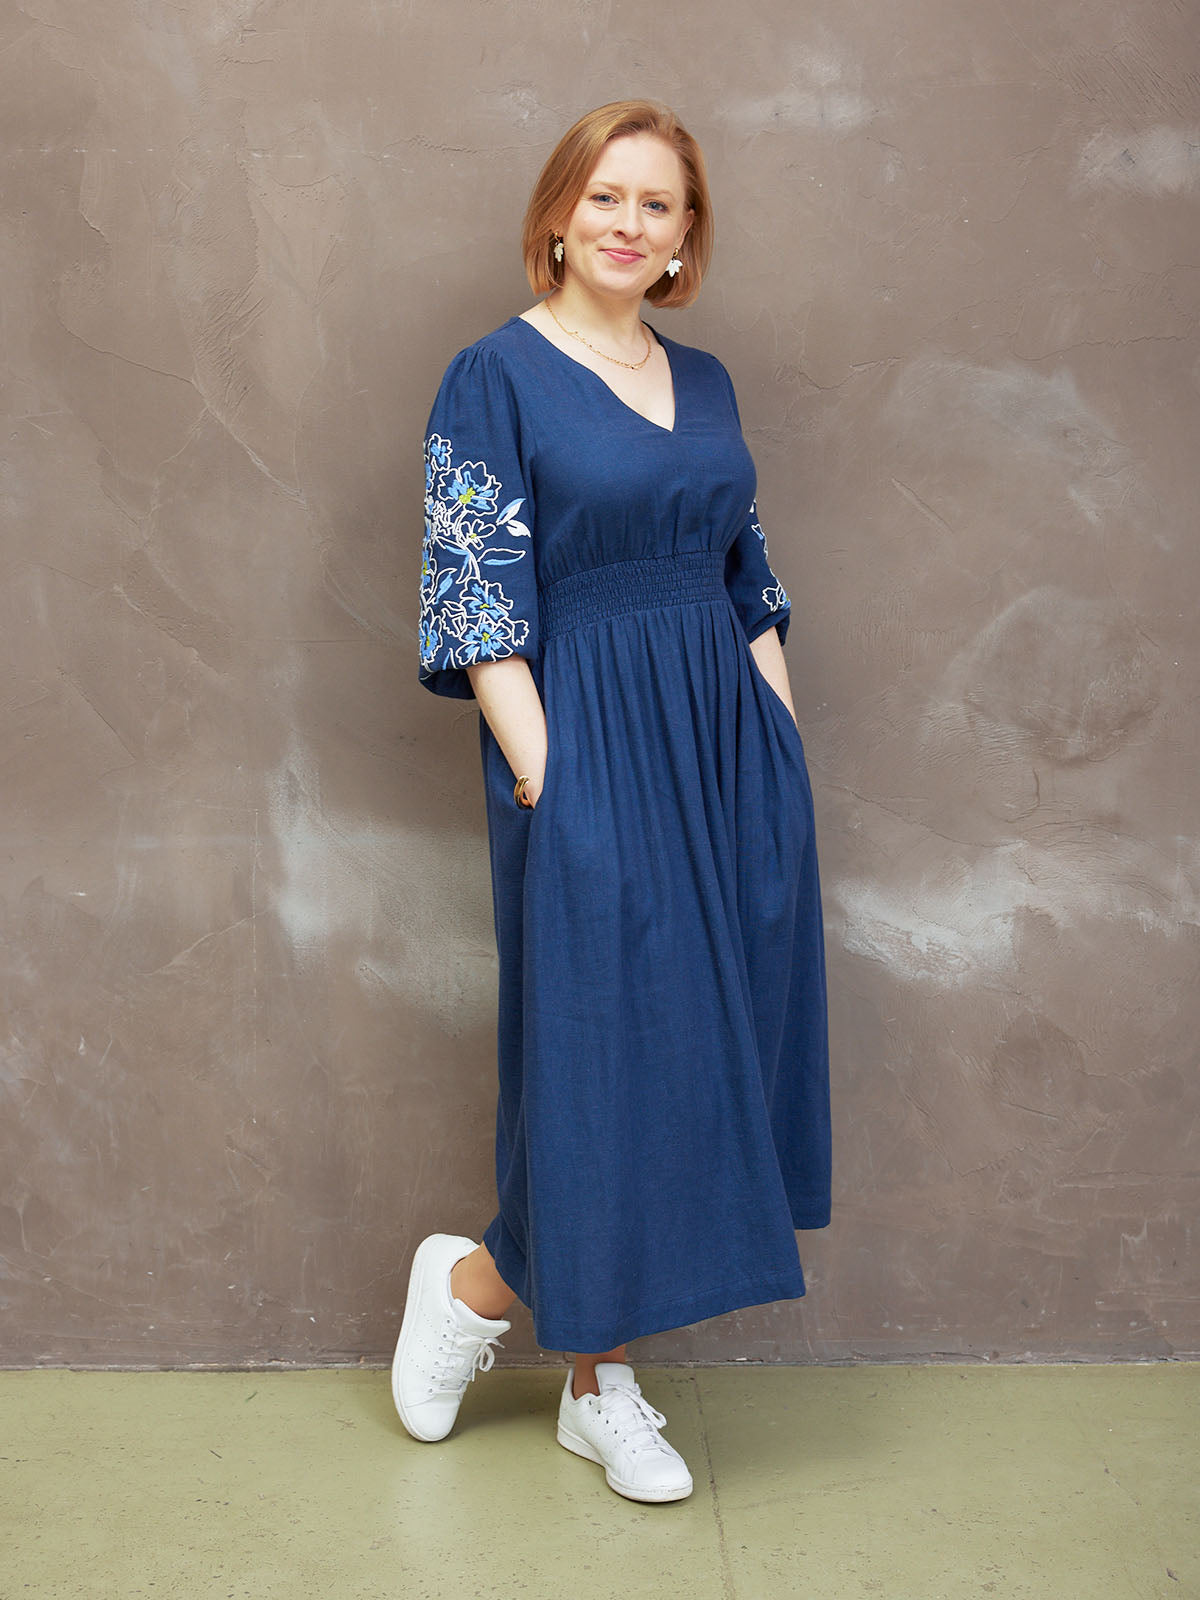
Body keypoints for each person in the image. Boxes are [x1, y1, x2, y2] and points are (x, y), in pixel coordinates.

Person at [393, 99, 831, 1505]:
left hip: (721, 738)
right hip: (582, 733)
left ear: (686, 235)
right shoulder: (495, 374)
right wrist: (543, 773)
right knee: (606, 1056)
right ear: (559, 213)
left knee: (696, 1053)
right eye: (608, 197)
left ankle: (553, 1348)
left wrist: (779, 735)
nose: (630, 224)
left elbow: (739, 569)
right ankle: (523, 1319)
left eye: (660, 204)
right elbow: (475, 598)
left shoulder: (705, 383)